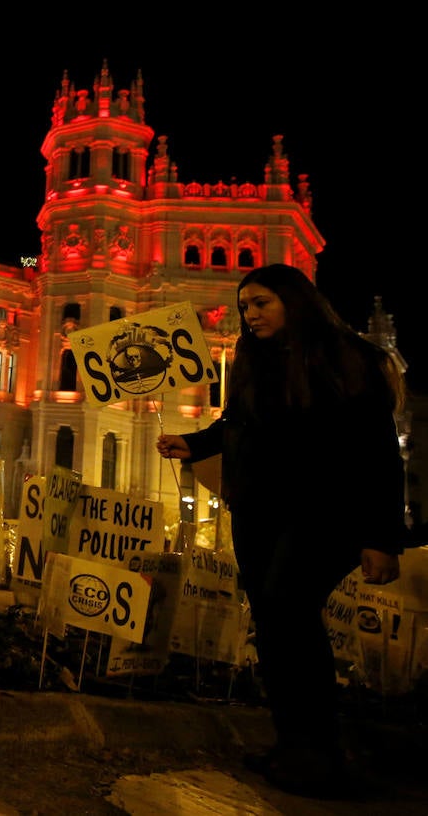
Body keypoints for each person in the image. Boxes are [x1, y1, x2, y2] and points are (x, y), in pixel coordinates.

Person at [155, 263, 404, 799]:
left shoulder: (347, 358)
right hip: (258, 511)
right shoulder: (254, 360)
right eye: (245, 307)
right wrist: (194, 444)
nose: (250, 315)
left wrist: (382, 537)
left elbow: (378, 451)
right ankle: (294, 744)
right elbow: (236, 423)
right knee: (272, 623)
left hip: (323, 513)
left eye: (262, 303)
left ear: (296, 301)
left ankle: (320, 753)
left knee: (288, 609)